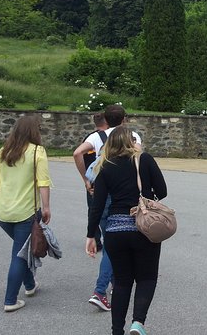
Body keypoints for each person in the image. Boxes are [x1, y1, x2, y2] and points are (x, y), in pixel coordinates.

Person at [85, 126, 166, 335]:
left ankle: (116, 330)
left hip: (115, 231)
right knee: (147, 278)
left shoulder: (105, 167)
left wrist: (90, 235)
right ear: (132, 142)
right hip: (143, 228)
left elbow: (97, 205)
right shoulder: (144, 160)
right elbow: (163, 191)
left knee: (122, 282)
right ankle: (138, 322)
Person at [74, 105, 142, 312]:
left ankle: (115, 283)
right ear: (124, 119)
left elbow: (77, 153)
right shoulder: (133, 136)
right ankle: (100, 291)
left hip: (102, 193)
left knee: (112, 242)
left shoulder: (97, 136)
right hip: (122, 196)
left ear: (106, 119)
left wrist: (86, 179)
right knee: (113, 249)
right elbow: (139, 162)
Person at [0, 115, 52, 312]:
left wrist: (0, 204)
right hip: (25, 212)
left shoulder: (3, 151)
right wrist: (47, 207)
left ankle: (30, 285)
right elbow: (43, 183)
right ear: (35, 131)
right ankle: (10, 300)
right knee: (19, 255)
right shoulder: (37, 152)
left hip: (2, 212)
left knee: (22, 248)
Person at [83, 113, 109, 251]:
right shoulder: (113, 137)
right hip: (108, 178)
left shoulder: (90, 138)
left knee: (93, 209)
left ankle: (95, 239)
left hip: (93, 178)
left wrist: (85, 179)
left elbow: (80, 155)